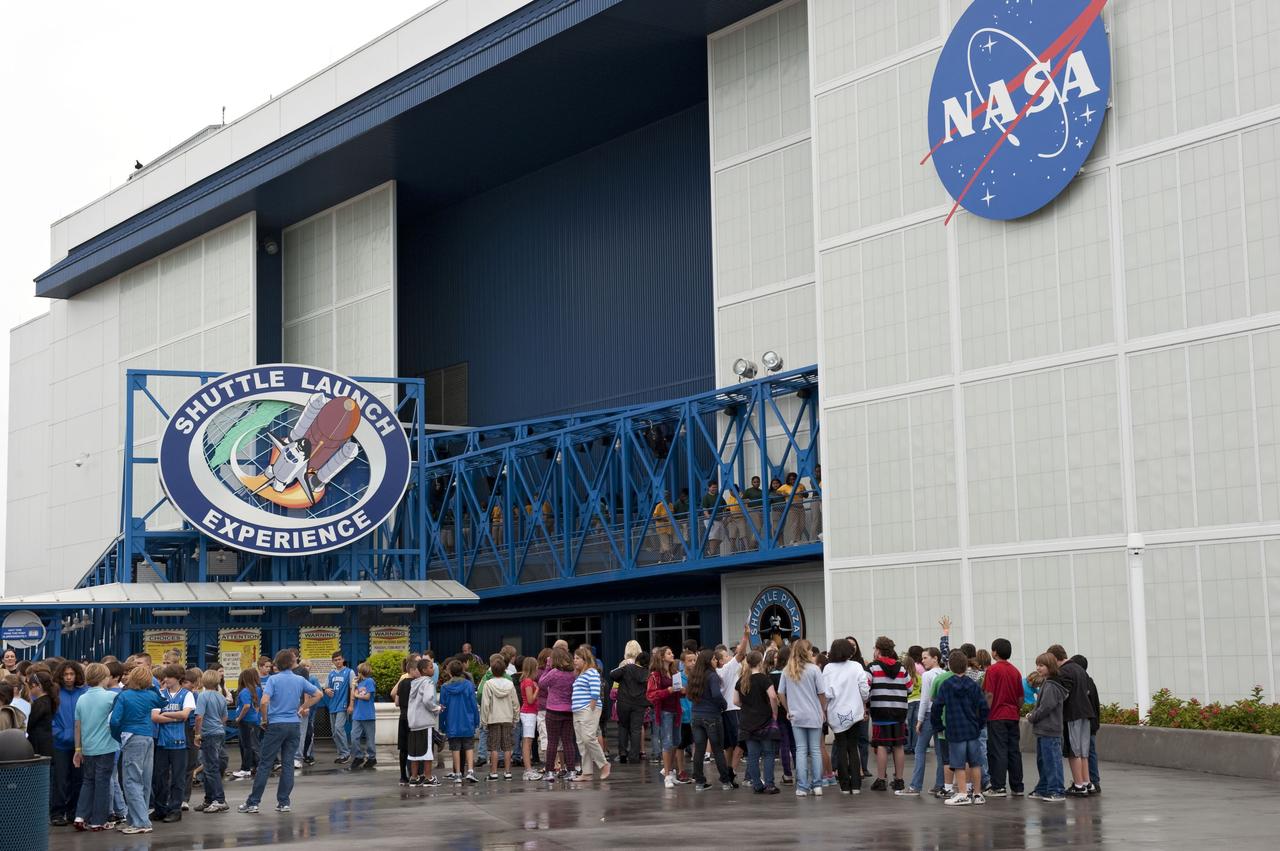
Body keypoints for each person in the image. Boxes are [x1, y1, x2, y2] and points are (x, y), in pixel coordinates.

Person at [237, 650, 322, 814]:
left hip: (276, 724)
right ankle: (284, 802)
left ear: (277, 664)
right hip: (293, 724)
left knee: (265, 764)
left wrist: (264, 719)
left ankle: (253, 802)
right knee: (288, 764)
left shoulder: (273, 680)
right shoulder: (299, 679)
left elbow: (264, 702)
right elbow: (318, 694)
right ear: (291, 663)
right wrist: (303, 707)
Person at [110, 665, 165, 835]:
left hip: (132, 737)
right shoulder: (150, 695)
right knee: (145, 780)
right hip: (148, 737)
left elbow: (114, 721)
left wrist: (117, 736)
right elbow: (164, 702)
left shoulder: (124, 696)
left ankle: (141, 822)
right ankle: (135, 819)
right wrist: (153, 686)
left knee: (131, 781)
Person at [930, 650, 989, 806]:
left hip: (955, 729)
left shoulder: (946, 685)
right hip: (972, 729)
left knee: (958, 763)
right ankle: (977, 794)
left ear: (949, 665)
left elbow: (936, 706)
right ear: (966, 666)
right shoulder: (973, 685)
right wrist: (980, 723)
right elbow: (984, 707)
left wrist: (938, 725)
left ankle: (962, 793)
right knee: (975, 762)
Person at [71, 663, 118, 831]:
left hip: (88, 747)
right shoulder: (111, 697)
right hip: (106, 747)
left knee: (88, 781)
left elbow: (77, 726)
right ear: (103, 678)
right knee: (102, 782)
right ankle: (99, 820)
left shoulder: (81, 698)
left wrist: (78, 749)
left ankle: (80, 815)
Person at [777, 639, 826, 797]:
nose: (812, 652)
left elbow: (780, 693)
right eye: (811, 650)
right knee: (815, 750)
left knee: (801, 750)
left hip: (796, 715)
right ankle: (817, 785)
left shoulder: (787, 670)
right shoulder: (814, 670)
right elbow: (821, 693)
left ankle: (802, 786)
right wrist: (823, 709)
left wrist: (788, 708)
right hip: (814, 714)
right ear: (807, 651)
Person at [823, 638, 870, 795]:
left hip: (836, 712)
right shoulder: (856, 666)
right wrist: (864, 702)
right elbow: (864, 688)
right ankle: (856, 785)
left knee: (841, 747)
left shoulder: (828, 668)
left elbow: (826, 693)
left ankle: (844, 785)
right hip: (855, 711)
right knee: (853, 747)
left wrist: (824, 710)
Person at [150, 664, 195, 823]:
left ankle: (175, 809)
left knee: (178, 778)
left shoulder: (187, 694)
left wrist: (165, 713)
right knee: (159, 778)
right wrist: (175, 716)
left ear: (178, 678)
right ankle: (160, 809)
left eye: (169, 677)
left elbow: (185, 715)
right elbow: (154, 717)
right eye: (165, 677)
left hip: (180, 743)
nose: (165, 679)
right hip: (162, 743)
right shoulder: (160, 694)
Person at [867, 636, 912, 792]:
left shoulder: (872, 668)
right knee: (898, 745)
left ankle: (881, 780)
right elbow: (910, 688)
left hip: (880, 711)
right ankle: (899, 780)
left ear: (878, 650)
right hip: (899, 712)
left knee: (882, 745)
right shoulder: (902, 668)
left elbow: (865, 688)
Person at [1050, 645, 1095, 797]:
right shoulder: (1079, 669)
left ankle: (1078, 784)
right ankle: (1087, 782)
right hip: (1086, 713)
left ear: (1055, 658)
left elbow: (1064, 694)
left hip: (1072, 714)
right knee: (1083, 752)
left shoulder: (1065, 671)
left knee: (1073, 751)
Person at [902, 645, 946, 797]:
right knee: (941, 753)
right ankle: (940, 785)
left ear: (935, 658)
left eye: (926, 657)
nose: (923, 660)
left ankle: (915, 786)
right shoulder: (945, 673)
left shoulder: (927, 676)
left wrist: (919, 720)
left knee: (920, 750)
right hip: (941, 716)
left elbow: (925, 700)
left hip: (928, 715)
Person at [686, 649, 732, 791]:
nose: (715, 661)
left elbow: (688, 695)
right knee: (717, 749)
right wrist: (724, 705)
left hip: (696, 716)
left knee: (699, 750)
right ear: (708, 661)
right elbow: (717, 695)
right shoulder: (712, 676)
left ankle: (699, 782)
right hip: (712, 715)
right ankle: (725, 781)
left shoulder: (694, 675)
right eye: (713, 659)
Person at [983, 638, 1024, 797]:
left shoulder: (992, 670)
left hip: (996, 716)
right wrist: (1015, 709)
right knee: (1013, 751)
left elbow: (989, 694)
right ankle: (1017, 786)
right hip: (1013, 715)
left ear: (994, 652)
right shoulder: (1015, 671)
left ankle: (998, 785)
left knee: (998, 750)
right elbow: (1020, 698)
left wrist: (984, 713)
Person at [734, 650, 779, 794]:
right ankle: (770, 784)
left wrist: (746, 707)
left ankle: (757, 784)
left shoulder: (741, 680)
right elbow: (772, 696)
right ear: (760, 662)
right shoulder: (764, 679)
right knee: (768, 753)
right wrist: (774, 712)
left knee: (752, 755)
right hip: (764, 720)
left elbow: (735, 701)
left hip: (747, 722)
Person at [1025, 653, 1067, 803]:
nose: (1038, 668)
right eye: (1037, 665)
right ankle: (1044, 787)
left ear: (1050, 667)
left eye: (1041, 665)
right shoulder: (1048, 683)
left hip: (1049, 730)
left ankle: (1056, 790)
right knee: (1044, 761)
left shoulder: (1051, 685)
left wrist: (1032, 716)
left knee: (1052, 761)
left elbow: (1046, 707)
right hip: (1045, 730)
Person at [50, 660, 87, 827]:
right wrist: (60, 734)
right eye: (65, 674)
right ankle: (57, 813)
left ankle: (74, 812)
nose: (69, 677)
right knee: (60, 780)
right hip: (61, 745)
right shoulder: (55, 694)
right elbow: (50, 719)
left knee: (78, 779)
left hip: (81, 744)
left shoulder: (84, 693)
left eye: (72, 674)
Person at [646, 645, 685, 788]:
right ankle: (667, 774)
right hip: (664, 712)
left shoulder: (674, 672)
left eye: (672, 652)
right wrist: (667, 691)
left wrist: (681, 691)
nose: (672, 654)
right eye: (669, 653)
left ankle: (670, 771)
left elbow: (678, 692)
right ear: (662, 657)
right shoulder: (655, 675)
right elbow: (651, 695)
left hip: (676, 710)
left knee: (676, 740)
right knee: (667, 742)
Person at [192, 669, 230, 813]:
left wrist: (197, 734)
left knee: (211, 768)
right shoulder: (221, 697)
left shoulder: (202, 696)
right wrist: (218, 725)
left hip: (208, 733)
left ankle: (219, 799)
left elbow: (199, 717)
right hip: (219, 732)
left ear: (203, 681)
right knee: (210, 767)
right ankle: (209, 799)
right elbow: (225, 717)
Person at [716, 626, 750, 782]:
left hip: (725, 711)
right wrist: (745, 636)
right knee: (740, 742)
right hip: (734, 710)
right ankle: (731, 770)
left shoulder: (715, 673)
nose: (730, 656)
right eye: (726, 655)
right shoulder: (727, 669)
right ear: (720, 661)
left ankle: (728, 771)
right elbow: (741, 653)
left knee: (729, 745)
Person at [538, 648, 577, 782]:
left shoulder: (554, 673)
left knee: (552, 742)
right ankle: (571, 771)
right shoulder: (573, 674)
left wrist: (548, 667)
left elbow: (542, 683)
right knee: (568, 741)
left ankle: (549, 772)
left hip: (553, 710)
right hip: (569, 711)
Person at [571, 646, 609, 780]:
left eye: (577, 658)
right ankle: (587, 772)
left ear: (585, 659)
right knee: (581, 742)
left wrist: (591, 708)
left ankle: (604, 765)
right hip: (577, 711)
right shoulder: (580, 674)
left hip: (588, 709)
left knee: (588, 738)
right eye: (574, 658)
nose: (574, 661)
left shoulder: (592, 671)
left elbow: (595, 692)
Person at [480, 654, 519, 781]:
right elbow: (515, 703)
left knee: (494, 747)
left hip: (493, 718)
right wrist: (515, 718)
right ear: (504, 670)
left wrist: (484, 721)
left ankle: (494, 772)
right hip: (507, 718)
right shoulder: (510, 683)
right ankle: (508, 772)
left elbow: (485, 704)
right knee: (507, 746)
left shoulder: (488, 684)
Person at [440, 659, 480, 783]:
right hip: (467, 721)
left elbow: (443, 708)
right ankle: (471, 771)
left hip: (452, 722)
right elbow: (473, 704)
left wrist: (442, 724)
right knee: (469, 747)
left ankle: (457, 773)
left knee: (455, 748)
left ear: (450, 672)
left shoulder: (445, 687)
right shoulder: (468, 685)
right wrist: (476, 720)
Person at [609, 642, 648, 764]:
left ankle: (622, 753)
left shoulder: (626, 667)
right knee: (636, 729)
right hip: (639, 704)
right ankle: (634, 756)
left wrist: (623, 668)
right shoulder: (647, 672)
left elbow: (612, 674)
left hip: (624, 702)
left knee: (623, 727)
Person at [1070, 654, 1102, 795]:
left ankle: (1091, 780)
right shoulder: (1090, 682)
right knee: (1088, 752)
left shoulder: (1082, 683)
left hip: (1085, 721)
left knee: (1085, 753)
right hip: (1092, 721)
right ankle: (1090, 780)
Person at [407, 657, 441, 786]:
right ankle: (428, 777)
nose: (433, 669)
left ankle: (414, 777)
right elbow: (427, 700)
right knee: (427, 751)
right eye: (431, 667)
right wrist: (436, 708)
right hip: (425, 722)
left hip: (414, 722)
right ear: (424, 670)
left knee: (415, 752)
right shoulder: (428, 682)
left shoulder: (414, 683)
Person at [324, 651, 356, 765]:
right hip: (333, 705)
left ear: (343, 659)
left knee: (339, 728)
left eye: (339, 659)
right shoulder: (331, 674)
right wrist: (327, 690)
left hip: (343, 705)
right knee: (334, 732)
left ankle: (346, 753)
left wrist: (351, 704)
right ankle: (341, 754)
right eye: (335, 660)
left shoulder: (349, 672)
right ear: (333, 661)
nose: (338, 662)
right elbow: (326, 687)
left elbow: (353, 688)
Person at [394, 656, 420, 786]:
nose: (419, 673)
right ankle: (413, 775)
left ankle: (402, 776)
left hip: (402, 718)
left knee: (403, 749)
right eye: (418, 670)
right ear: (412, 670)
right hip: (413, 718)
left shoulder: (402, 683)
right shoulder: (416, 684)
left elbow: (396, 702)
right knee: (413, 748)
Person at [233, 668, 262, 779]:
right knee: (254, 744)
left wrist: (239, 718)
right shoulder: (257, 689)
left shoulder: (244, 691)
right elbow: (258, 705)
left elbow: (246, 706)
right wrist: (256, 714)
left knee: (246, 745)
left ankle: (245, 769)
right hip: (254, 720)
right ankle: (256, 765)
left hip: (246, 721)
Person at [350, 662, 378, 770]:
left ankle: (372, 757)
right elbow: (353, 696)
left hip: (368, 714)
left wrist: (357, 695)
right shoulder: (359, 683)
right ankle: (358, 756)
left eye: (359, 671)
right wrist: (353, 686)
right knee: (354, 737)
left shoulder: (369, 681)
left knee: (370, 739)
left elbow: (367, 697)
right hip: (357, 714)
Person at [518, 656, 541, 780]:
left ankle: (529, 768)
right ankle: (528, 770)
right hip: (528, 713)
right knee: (527, 742)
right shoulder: (528, 681)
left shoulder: (526, 680)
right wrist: (537, 689)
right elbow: (530, 700)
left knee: (528, 741)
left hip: (529, 713)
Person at [27, 670, 56, 759]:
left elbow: (29, 723)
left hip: (38, 745)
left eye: (30, 687)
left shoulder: (39, 704)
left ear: (36, 686)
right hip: (47, 743)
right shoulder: (49, 700)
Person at [700, 481, 725, 556]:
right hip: (710, 519)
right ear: (709, 487)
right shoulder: (706, 497)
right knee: (713, 536)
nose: (715, 489)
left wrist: (726, 516)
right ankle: (712, 552)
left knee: (721, 537)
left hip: (719, 519)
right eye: (713, 487)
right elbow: (705, 510)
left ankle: (711, 551)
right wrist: (709, 519)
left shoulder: (719, 496)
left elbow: (725, 506)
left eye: (716, 487)